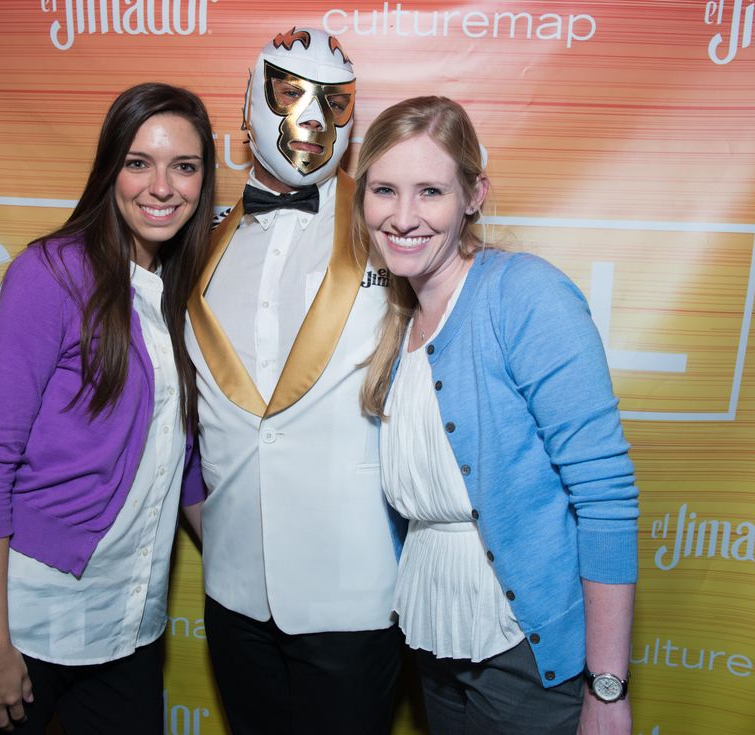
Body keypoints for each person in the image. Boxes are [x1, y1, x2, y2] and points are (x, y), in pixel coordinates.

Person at [0, 82, 215, 734]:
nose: (161, 186)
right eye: (139, 162)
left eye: (184, 166)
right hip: (23, 616)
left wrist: (260, 572)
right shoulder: (50, 273)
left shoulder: (181, 294)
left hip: (126, 627)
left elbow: (183, 464)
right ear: (110, 168)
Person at [355, 96, 639, 734]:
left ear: (473, 195)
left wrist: (608, 687)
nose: (402, 217)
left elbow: (606, 499)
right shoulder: (394, 320)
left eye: (430, 190)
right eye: (384, 190)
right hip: (433, 637)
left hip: (525, 651)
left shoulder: (524, 293)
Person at [182, 27, 402, 735]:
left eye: (335, 104)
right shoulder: (199, 240)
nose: (312, 120)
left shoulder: (389, 224)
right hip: (235, 591)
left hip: (356, 594)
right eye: (290, 93)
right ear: (248, 107)